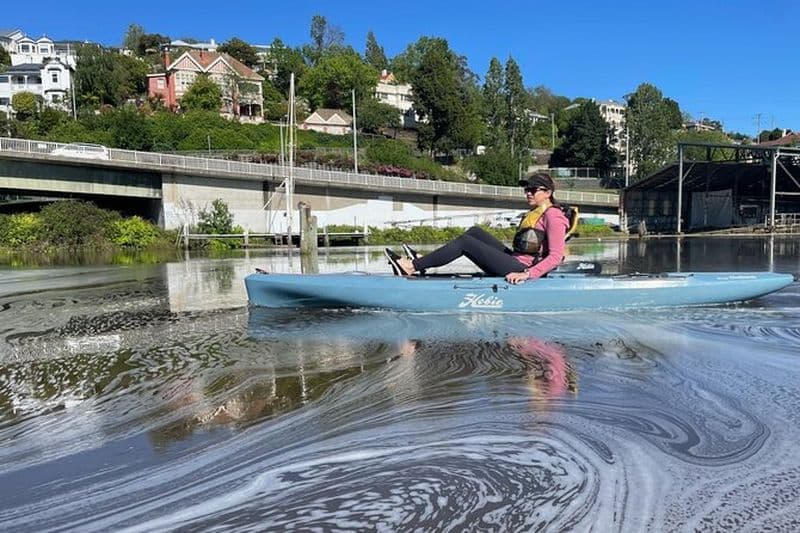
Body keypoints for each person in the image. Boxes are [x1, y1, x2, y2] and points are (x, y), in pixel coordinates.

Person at [385, 173, 570, 284]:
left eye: (533, 190)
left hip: (525, 267)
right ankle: (424, 260)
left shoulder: (553, 216)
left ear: (548, 193)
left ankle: (412, 266)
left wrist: (527, 274)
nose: (528, 193)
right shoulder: (536, 212)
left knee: (466, 243)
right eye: (526, 189)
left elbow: (556, 257)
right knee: (475, 232)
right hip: (516, 260)